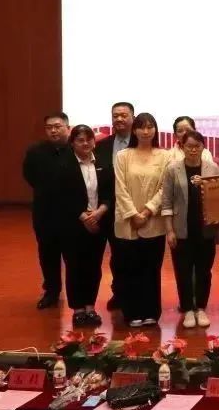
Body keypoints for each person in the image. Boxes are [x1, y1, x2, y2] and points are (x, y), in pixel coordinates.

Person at [113, 112, 168, 327]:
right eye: (141, 127)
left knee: (151, 269)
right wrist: (133, 214)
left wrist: (146, 212)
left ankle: (151, 311)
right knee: (129, 268)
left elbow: (165, 188)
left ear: (155, 130)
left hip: (153, 221)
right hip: (127, 222)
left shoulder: (164, 156)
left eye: (150, 127)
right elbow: (120, 188)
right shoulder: (123, 156)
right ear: (134, 130)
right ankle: (132, 312)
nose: (146, 131)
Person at [161, 130, 219, 329]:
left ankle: (201, 308)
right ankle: (187, 309)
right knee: (183, 271)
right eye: (189, 146)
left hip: (206, 229)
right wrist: (169, 230)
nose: (193, 150)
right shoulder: (172, 169)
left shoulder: (212, 168)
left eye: (197, 146)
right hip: (181, 229)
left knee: (204, 271)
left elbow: (217, 199)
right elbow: (166, 202)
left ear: (203, 147)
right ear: (182, 147)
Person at [58, 124, 113, 327]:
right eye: (80, 140)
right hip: (73, 225)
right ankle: (78, 309)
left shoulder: (102, 164)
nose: (85, 143)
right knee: (75, 267)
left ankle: (90, 307)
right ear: (72, 143)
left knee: (94, 267)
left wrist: (99, 213)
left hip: (98, 222)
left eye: (88, 139)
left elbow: (109, 193)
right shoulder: (64, 165)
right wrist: (83, 217)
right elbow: (62, 197)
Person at [23, 112, 72, 309]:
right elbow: (29, 175)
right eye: (49, 127)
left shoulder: (76, 148)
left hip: (72, 213)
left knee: (73, 256)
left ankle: (76, 295)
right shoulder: (35, 151)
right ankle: (51, 291)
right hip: (45, 212)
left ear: (68, 128)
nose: (53, 131)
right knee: (47, 254)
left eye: (57, 126)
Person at [94, 102, 135, 311]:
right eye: (115, 115)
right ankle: (118, 292)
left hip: (133, 209)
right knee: (113, 256)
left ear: (133, 117)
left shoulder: (140, 143)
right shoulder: (101, 146)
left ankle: (130, 293)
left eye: (124, 115)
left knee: (128, 255)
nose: (119, 119)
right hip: (106, 209)